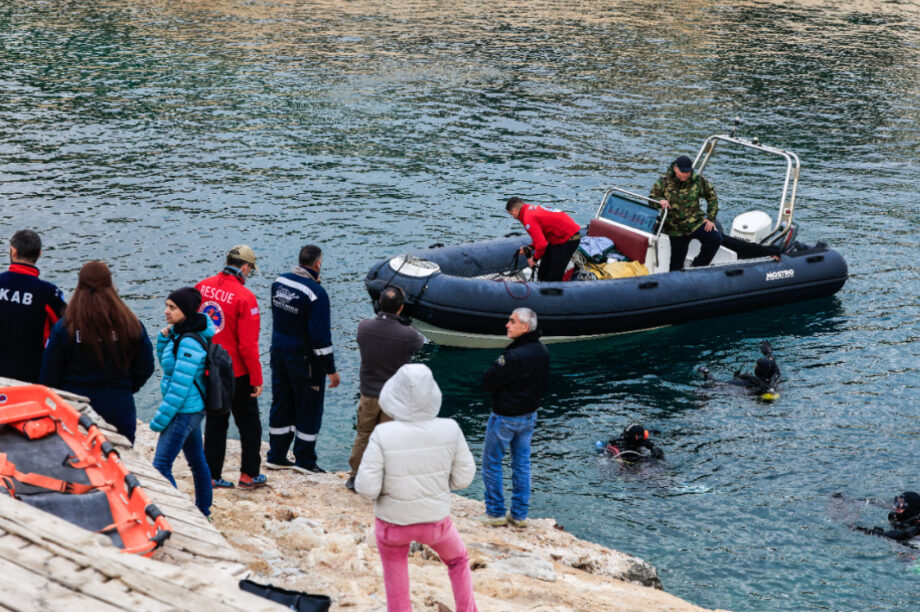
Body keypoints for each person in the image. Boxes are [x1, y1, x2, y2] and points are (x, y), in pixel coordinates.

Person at [355, 364, 477, 612]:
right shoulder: (450, 428)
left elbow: (366, 488)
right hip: (436, 522)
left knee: (396, 574)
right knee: (457, 560)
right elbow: (463, 479)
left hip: (393, 524)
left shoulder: (383, 433)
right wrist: (439, 485)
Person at [39, 261, 155, 444]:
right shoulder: (131, 325)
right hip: (119, 407)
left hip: (76, 409)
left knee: (77, 459)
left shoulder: (65, 328)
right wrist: (126, 387)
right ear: (110, 284)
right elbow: (146, 366)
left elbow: (48, 376)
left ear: (79, 285)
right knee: (120, 458)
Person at [196, 245, 267, 490]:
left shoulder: (202, 287)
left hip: (209, 367)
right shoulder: (245, 298)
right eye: (250, 270)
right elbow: (247, 345)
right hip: (237, 372)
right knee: (250, 425)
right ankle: (249, 475)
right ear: (245, 267)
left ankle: (211, 475)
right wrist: (256, 377)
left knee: (215, 423)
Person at [266, 244, 340, 474]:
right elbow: (320, 338)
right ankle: (305, 461)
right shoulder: (316, 293)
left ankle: (276, 455)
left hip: (278, 352)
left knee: (282, 401)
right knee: (309, 407)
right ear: (318, 263)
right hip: (305, 360)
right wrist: (331, 369)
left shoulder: (280, 282)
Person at [345, 286, 424, 491]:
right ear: (401, 308)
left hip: (369, 393)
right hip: (394, 397)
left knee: (363, 435)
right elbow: (419, 344)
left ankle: (355, 476)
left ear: (379, 303)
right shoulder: (409, 335)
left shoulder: (364, 327)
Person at [478, 307, 549, 527]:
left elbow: (488, 381)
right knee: (522, 464)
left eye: (512, 321)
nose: (507, 325)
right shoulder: (542, 351)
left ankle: (496, 512)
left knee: (492, 463)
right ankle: (519, 515)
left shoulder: (513, 356)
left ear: (525, 327)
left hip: (505, 417)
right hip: (529, 416)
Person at [151, 287, 214, 518]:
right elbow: (168, 368)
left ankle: (179, 516)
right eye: (166, 305)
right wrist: (163, 339)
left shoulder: (188, 342)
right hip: (191, 407)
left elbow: (179, 387)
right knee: (197, 461)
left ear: (185, 311)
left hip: (184, 410)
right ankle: (203, 511)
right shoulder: (180, 333)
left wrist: (160, 419)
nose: (166, 311)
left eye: (172, 307)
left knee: (160, 466)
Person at [0, 230, 66, 382]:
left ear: (13, 251)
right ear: (39, 254)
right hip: (32, 378)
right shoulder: (49, 293)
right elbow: (68, 329)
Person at [650, 155, 722, 271]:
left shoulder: (698, 180)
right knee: (676, 265)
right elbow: (651, 199)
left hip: (695, 223)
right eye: (683, 172)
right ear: (675, 168)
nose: (685, 175)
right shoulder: (663, 182)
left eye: (688, 172)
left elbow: (712, 198)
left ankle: (697, 266)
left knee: (715, 238)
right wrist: (660, 201)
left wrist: (711, 218)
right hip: (675, 229)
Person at [505, 197, 581, 282]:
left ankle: (556, 287)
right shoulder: (529, 210)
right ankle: (542, 285)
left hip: (568, 239)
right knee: (543, 271)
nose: (513, 217)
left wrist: (534, 259)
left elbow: (542, 244)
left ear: (514, 210)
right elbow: (540, 238)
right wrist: (530, 247)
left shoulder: (528, 218)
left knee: (553, 276)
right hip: (557, 238)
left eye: (511, 214)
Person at [699, 340, 782, 399]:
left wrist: (706, 372)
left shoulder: (744, 383)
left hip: (746, 397)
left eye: (757, 365)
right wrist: (769, 353)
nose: (755, 366)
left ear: (758, 370)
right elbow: (773, 366)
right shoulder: (774, 379)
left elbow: (717, 383)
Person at [854, 491, 920, 542]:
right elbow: (880, 503)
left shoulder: (917, 523)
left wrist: (875, 532)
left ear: (910, 508)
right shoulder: (901, 516)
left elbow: (903, 535)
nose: (896, 507)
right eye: (897, 502)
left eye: (901, 504)